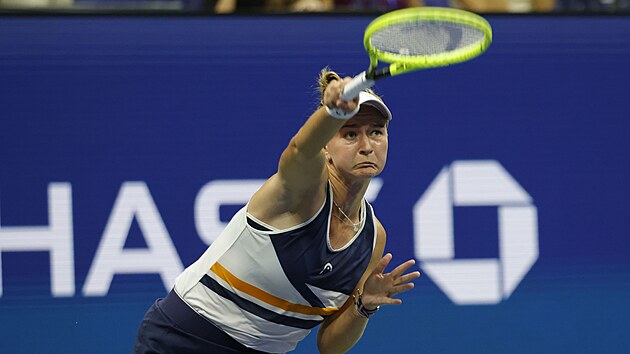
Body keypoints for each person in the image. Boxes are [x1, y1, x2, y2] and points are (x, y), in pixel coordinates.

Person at [133, 68, 421, 354]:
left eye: (376, 132)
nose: (367, 146)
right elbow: (300, 150)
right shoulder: (303, 189)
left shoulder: (372, 238)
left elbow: (329, 345)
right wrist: (331, 113)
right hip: (187, 339)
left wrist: (363, 305)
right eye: (349, 134)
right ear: (326, 147)